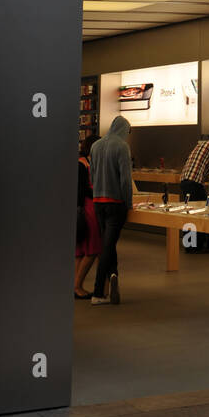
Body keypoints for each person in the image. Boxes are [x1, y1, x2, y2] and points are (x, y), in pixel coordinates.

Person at [89, 115, 133, 305]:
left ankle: (113, 275)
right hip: (115, 203)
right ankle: (98, 293)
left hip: (98, 201)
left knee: (108, 243)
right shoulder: (122, 147)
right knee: (107, 246)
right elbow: (125, 180)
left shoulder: (95, 146)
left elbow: (92, 175)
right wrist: (128, 203)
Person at [75, 137, 101, 299]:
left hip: (86, 207)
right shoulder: (82, 164)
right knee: (92, 249)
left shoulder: (86, 162)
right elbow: (83, 189)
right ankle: (77, 286)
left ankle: (75, 285)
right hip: (88, 207)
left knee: (80, 251)